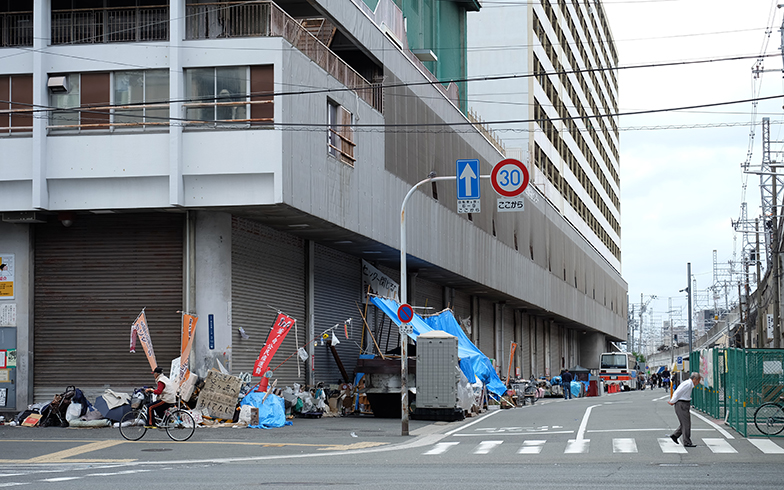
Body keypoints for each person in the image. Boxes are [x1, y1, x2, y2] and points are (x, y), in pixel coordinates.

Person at [668, 372, 702, 447]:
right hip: (681, 404)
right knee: (686, 424)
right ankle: (687, 441)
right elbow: (678, 392)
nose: (698, 383)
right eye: (698, 381)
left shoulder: (689, 384)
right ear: (694, 379)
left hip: (684, 404)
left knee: (685, 423)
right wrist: (672, 401)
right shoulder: (687, 384)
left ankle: (675, 435)